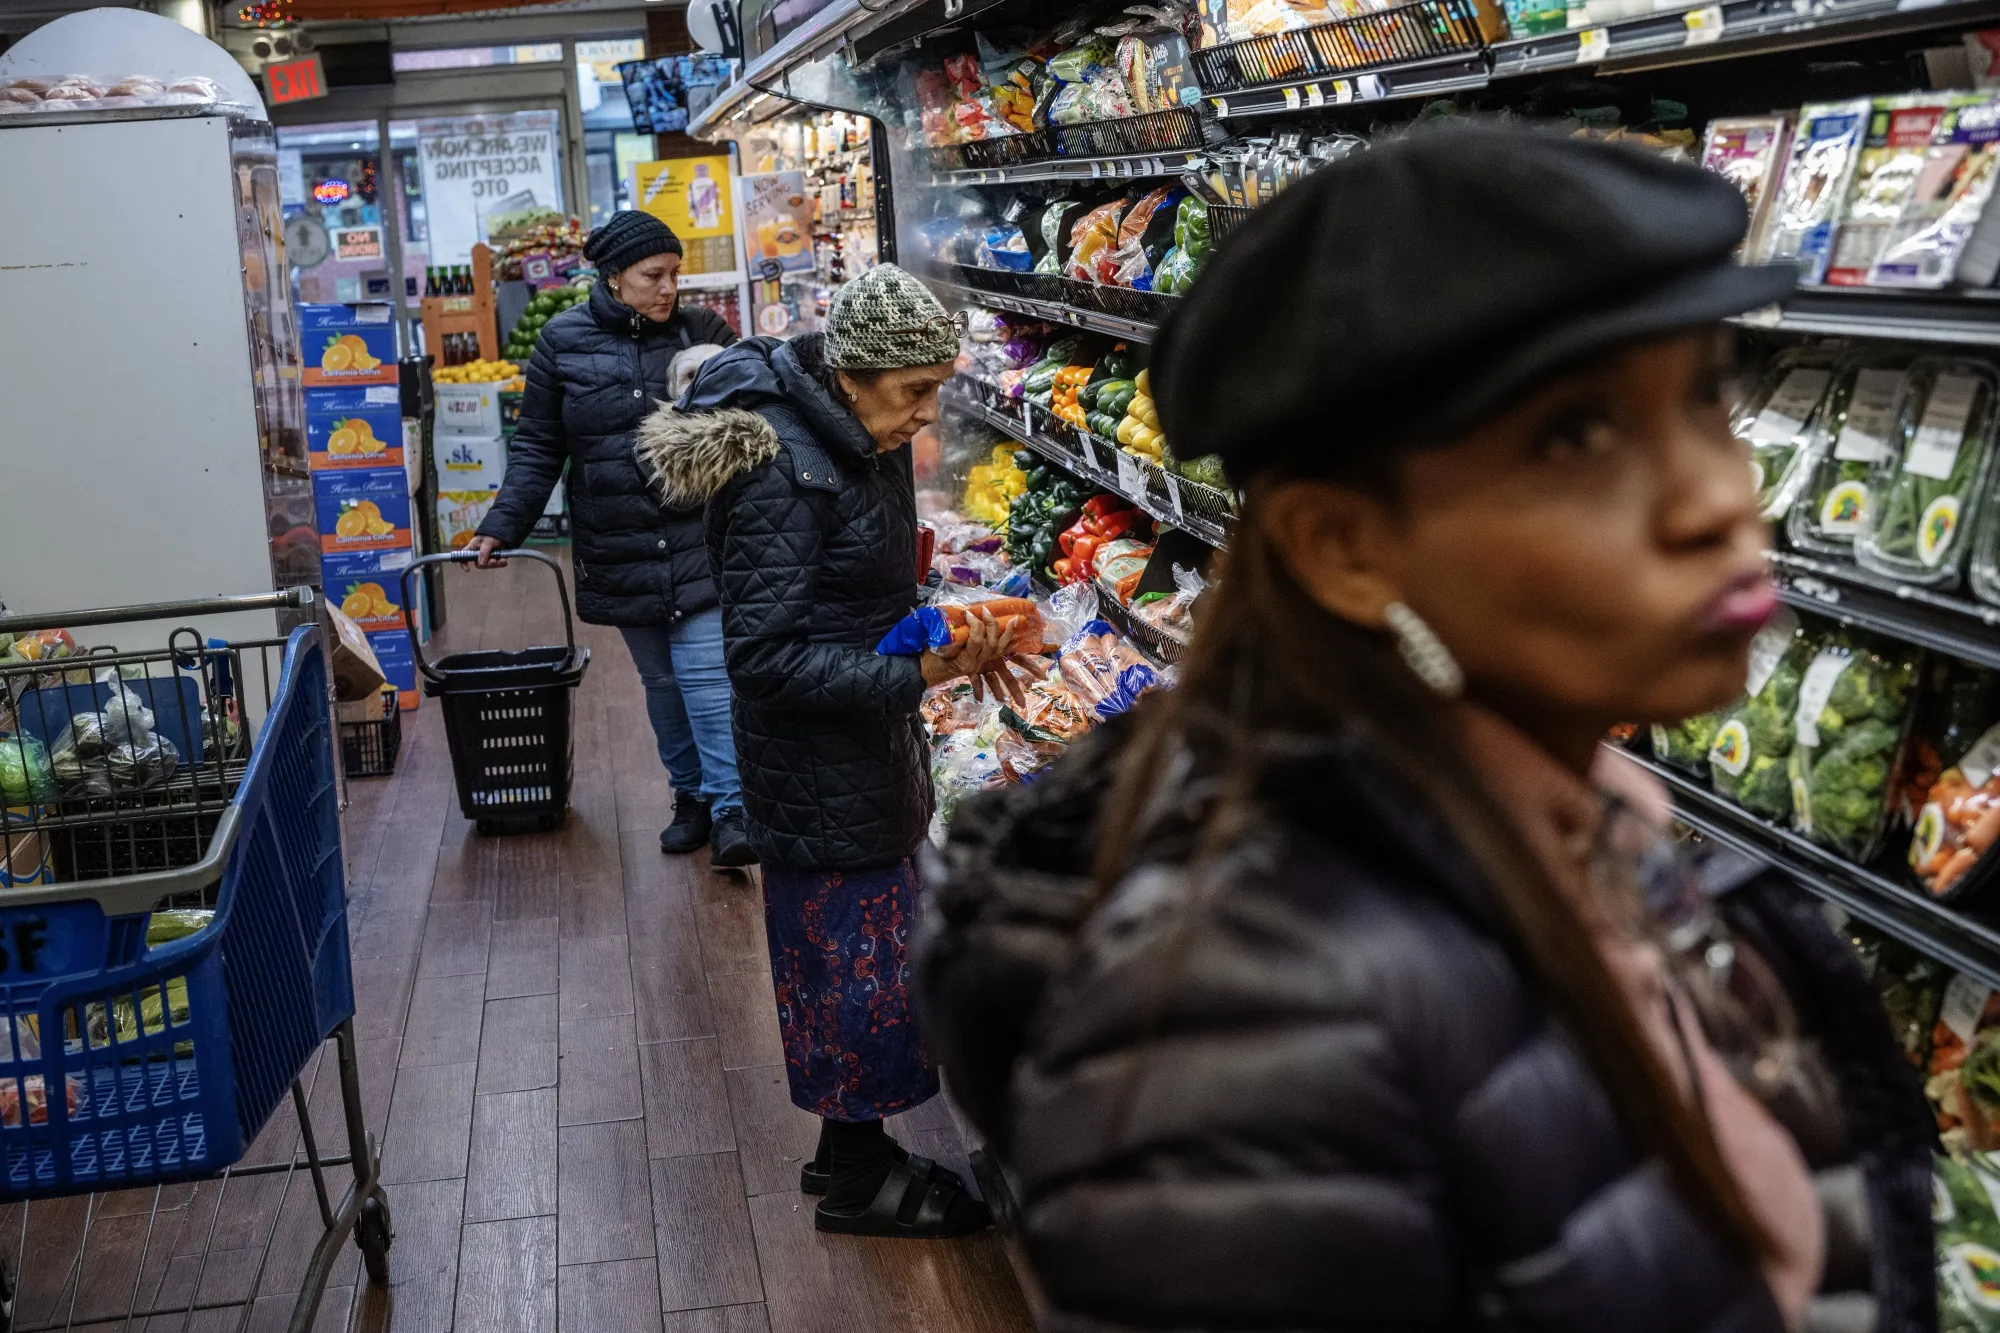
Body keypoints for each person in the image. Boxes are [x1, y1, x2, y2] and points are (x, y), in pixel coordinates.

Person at [914, 129, 1936, 1332]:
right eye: (1575, 437)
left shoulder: (1598, 829)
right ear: (1343, 547)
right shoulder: (1243, 1041)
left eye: (1706, 401)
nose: (1718, 497)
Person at [635, 264, 1038, 1239]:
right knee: (848, 970)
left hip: (865, 746)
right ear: (852, 376)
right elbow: (766, 660)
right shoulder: (780, 467)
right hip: (812, 766)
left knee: (860, 964)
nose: (924, 413)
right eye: (912, 392)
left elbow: (862, 600)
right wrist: (922, 677)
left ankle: (843, 1148)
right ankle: (860, 1177)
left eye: (936, 388)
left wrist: (943, 633)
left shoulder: (860, 440)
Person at [470, 210, 754, 866]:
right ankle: (691, 797)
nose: (669, 289)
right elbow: (540, 444)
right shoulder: (562, 342)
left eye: (675, 274)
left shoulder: (703, 332)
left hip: (697, 532)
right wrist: (501, 524)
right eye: (654, 275)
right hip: (617, 539)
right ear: (613, 276)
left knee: (706, 674)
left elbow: (754, 411)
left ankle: (732, 806)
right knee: (661, 682)